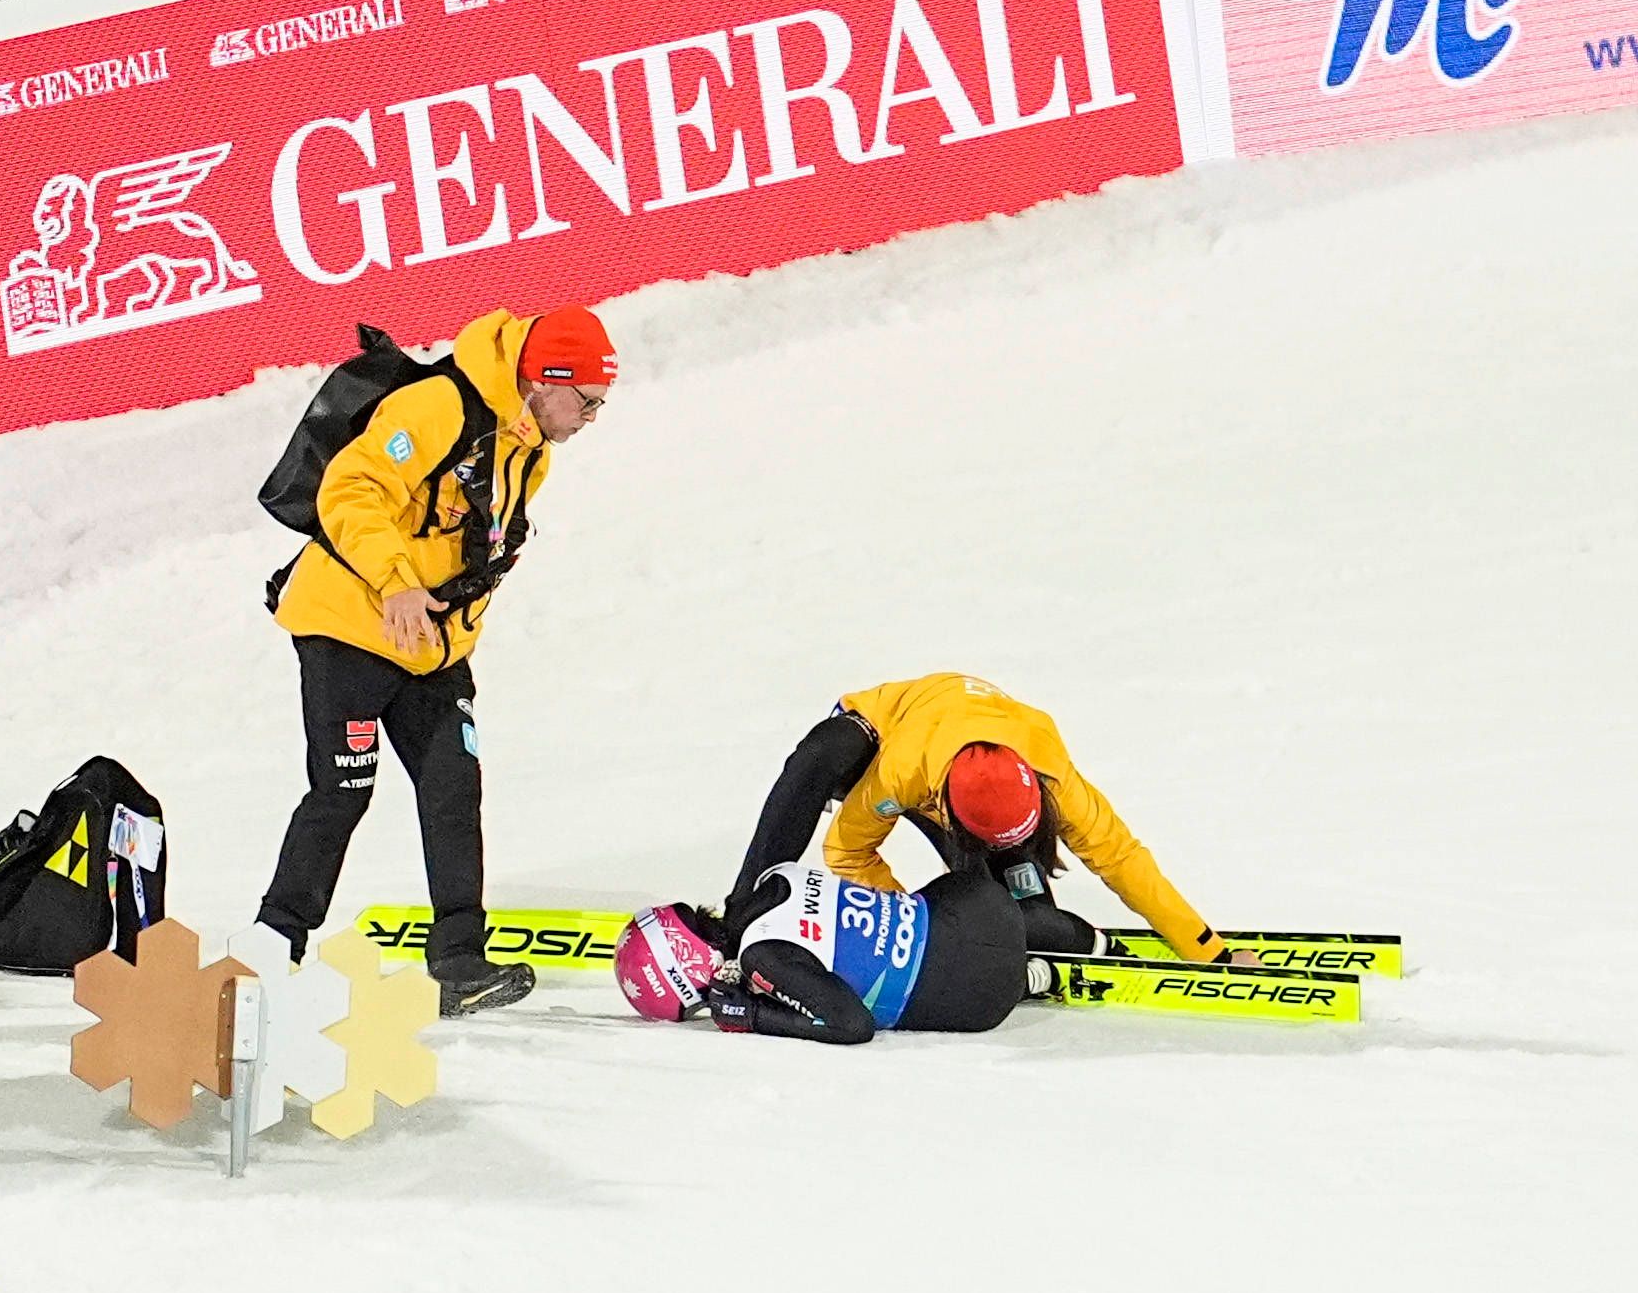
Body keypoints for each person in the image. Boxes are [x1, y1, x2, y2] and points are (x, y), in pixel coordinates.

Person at [256, 305, 616, 1015]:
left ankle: (459, 962)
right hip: (348, 626)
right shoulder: (439, 407)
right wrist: (396, 582)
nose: (590, 418)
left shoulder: (528, 449)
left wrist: (452, 632)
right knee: (341, 793)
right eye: (587, 401)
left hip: (428, 644)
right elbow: (351, 488)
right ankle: (269, 949)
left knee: (453, 787)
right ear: (546, 380)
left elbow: (471, 547)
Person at [719, 673, 1247, 965]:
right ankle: (740, 915)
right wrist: (911, 928)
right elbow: (847, 849)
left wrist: (1208, 948)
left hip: (973, 763)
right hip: (884, 738)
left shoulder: (1055, 777)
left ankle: (1036, 912)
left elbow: (1122, 857)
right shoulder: (900, 774)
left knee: (1021, 922)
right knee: (819, 757)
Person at [616, 862, 1036, 1046]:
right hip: (984, 903)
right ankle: (1054, 949)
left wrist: (753, 1016)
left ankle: (1033, 979)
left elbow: (852, 1025)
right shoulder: (770, 881)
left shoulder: (762, 955)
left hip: (981, 998)